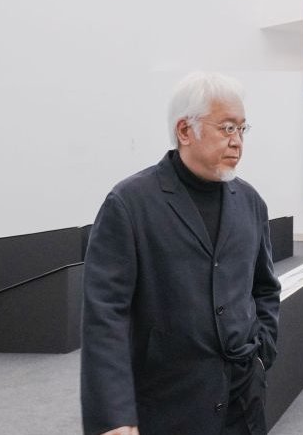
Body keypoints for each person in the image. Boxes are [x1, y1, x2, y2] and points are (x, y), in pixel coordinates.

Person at [81, 72, 281, 435]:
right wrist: (114, 416)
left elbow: (265, 288)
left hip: (243, 402)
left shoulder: (251, 202)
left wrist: (262, 352)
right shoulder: (129, 205)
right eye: (226, 128)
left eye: (242, 129)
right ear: (185, 131)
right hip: (169, 407)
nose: (237, 141)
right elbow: (105, 317)